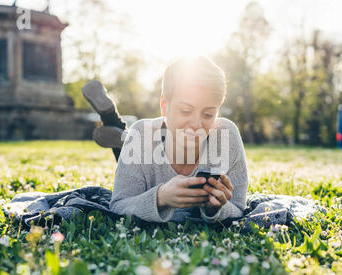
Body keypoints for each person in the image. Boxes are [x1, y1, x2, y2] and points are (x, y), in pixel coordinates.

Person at [82, 56, 249, 224]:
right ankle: (118, 129)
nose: (196, 124)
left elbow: (239, 208)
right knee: (139, 143)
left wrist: (216, 209)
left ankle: (119, 132)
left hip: (144, 143)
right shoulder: (141, 135)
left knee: (137, 147)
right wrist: (160, 197)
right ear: (164, 105)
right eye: (185, 111)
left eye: (208, 114)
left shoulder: (226, 136)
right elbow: (119, 205)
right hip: (144, 139)